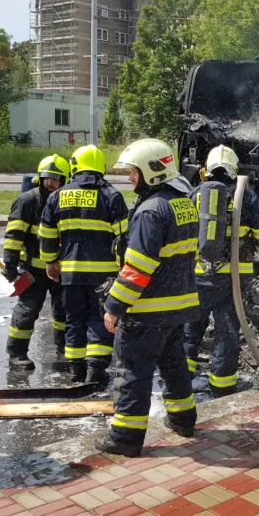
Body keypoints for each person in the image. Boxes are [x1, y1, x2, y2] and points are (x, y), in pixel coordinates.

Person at [95, 139, 200, 457]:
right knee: (173, 364)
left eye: (134, 171)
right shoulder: (184, 203)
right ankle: (183, 420)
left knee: (133, 371)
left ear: (152, 172)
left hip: (147, 310)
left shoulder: (151, 211)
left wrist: (114, 306)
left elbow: (138, 268)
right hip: (177, 306)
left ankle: (125, 438)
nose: (130, 177)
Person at [184, 145, 259, 396]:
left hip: (199, 275)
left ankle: (181, 378)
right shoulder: (246, 196)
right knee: (226, 330)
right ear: (234, 168)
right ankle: (222, 385)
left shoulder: (196, 194)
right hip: (233, 279)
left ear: (207, 168)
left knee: (191, 326)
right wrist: (258, 249)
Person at [40, 145, 128, 386]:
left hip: (70, 273)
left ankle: (75, 369)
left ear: (75, 166)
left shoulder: (57, 196)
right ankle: (95, 370)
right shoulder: (112, 196)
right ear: (101, 167)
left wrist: (50, 262)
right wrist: (123, 270)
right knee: (99, 318)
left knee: (74, 318)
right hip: (103, 275)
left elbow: (47, 234)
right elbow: (123, 240)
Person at [3, 155, 70, 370]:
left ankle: (65, 350)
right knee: (27, 311)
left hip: (62, 271)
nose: (50, 183)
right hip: (34, 271)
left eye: (55, 179)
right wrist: (10, 266)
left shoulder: (67, 202)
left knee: (64, 312)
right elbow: (14, 236)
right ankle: (17, 354)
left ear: (65, 179)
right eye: (46, 178)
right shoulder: (27, 201)